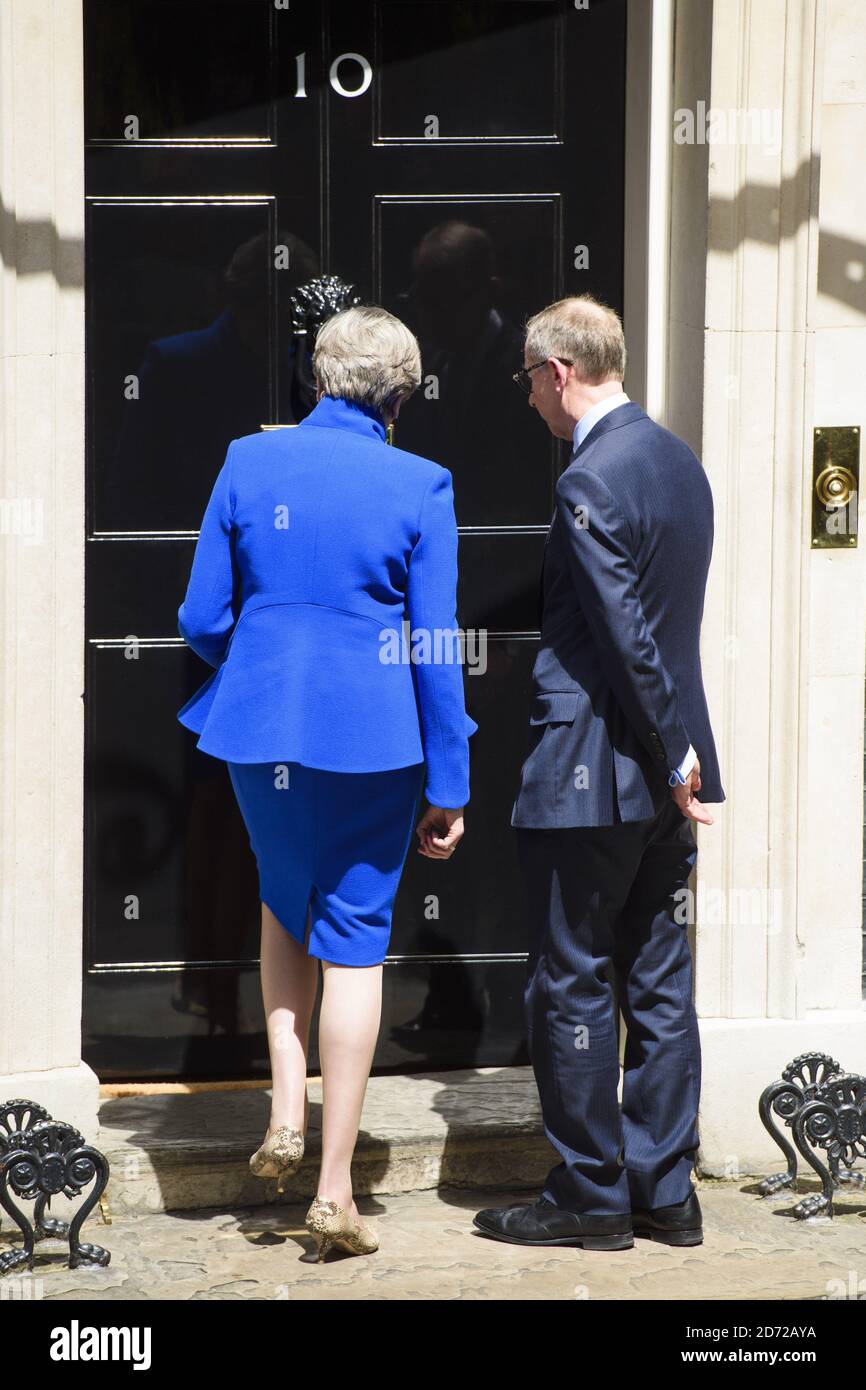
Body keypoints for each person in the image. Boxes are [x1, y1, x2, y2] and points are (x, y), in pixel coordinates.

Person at [176, 305, 476, 1260]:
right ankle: (336, 1191)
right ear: (400, 395)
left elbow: (198, 616)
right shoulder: (421, 483)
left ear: (316, 379)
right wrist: (451, 780)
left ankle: (282, 1115)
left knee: (280, 900)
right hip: (372, 739)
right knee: (353, 940)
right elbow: (435, 647)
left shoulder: (245, 460)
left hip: (258, 731)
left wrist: (264, 657)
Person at [474, 294, 724, 1252]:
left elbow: (625, 635)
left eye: (530, 381)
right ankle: (665, 1188)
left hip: (599, 773)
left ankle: (588, 1195)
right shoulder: (678, 462)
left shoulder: (589, 480)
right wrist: (684, 761)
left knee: (572, 981)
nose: (530, 400)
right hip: (669, 783)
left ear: (559, 372)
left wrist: (670, 750)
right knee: (659, 979)